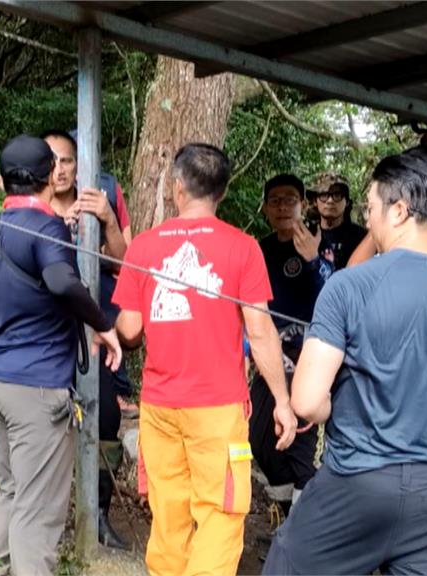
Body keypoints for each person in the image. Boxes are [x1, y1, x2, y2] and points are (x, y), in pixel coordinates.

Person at [263, 146, 427, 575]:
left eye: (371, 208)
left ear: (400, 211)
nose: (368, 220)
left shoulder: (349, 287)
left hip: (354, 485)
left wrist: (338, 408)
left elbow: (308, 400)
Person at [113, 143, 298, 576]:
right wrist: (283, 402)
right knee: (220, 514)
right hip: (217, 408)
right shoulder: (242, 246)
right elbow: (260, 329)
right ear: (223, 191)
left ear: (177, 187)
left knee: (168, 514)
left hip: (160, 405)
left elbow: (129, 328)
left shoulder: (143, 246)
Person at [0, 135, 121, 576]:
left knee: (12, 492)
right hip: (35, 388)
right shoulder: (46, 229)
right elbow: (63, 282)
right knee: (38, 510)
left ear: (1, 182)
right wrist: (103, 325)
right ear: (49, 177)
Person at [41, 128, 133, 549]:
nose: (59, 170)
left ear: (80, 165)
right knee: (49, 418)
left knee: (108, 420)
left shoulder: (103, 196)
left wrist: (107, 220)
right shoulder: (33, 203)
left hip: (100, 329)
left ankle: (97, 513)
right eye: (52, 161)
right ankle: (52, 515)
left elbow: (125, 263)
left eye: (67, 161)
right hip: (49, 329)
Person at [252, 174, 330, 514]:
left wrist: (314, 260)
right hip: (267, 354)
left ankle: (303, 531)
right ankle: (288, 517)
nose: (283, 206)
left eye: (290, 200)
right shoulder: (259, 249)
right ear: (266, 208)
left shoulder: (318, 244)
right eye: (275, 201)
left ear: (303, 205)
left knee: (300, 444)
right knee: (260, 438)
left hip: (308, 357)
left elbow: (336, 294)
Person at [308, 172, 367, 269]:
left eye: (337, 195)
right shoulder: (307, 236)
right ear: (315, 201)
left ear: (347, 201)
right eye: (324, 194)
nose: (330, 201)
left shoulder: (362, 237)